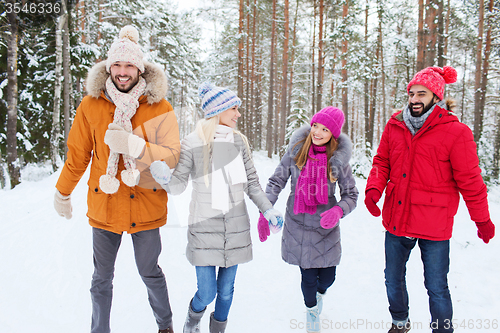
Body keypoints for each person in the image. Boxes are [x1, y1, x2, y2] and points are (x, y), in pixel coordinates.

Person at [53, 26, 180, 333]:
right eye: (117, 65)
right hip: (105, 203)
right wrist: (63, 192)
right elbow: (78, 155)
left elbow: (173, 155)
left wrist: (136, 147)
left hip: (146, 204)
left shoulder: (158, 106)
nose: (123, 72)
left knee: (150, 272)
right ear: (109, 67)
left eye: (130, 66)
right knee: (101, 278)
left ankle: (165, 326)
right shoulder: (91, 105)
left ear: (140, 68)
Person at [364, 66, 496, 333]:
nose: (414, 99)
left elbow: (470, 181)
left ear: (436, 96)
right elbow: (382, 161)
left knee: (436, 286)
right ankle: (400, 322)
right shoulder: (395, 125)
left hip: (434, 224)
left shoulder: (456, 133)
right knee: (392, 279)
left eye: (421, 93)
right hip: (397, 219)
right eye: (411, 93)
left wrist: (482, 219)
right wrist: (373, 189)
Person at [150, 82, 283, 333]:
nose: (238, 114)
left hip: (235, 229)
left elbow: (252, 184)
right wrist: (165, 178)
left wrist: (268, 210)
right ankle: (192, 320)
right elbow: (178, 186)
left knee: (226, 292)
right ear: (218, 111)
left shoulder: (239, 142)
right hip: (203, 229)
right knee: (208, 291)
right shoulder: (191, 143)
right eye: (234, 108)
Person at [258, 106, 358, 333]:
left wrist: (339, 211)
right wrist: (266, 209)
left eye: (324, 129)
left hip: (326, 228)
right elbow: (276, 182)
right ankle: (312, 311)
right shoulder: (296, 152)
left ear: (333, 134)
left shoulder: (338, 161)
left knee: (328, 278)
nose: (318, 132)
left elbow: (351, 194)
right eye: (315, 126)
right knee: (308, 277)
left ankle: (320, 295)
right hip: (299, 226)